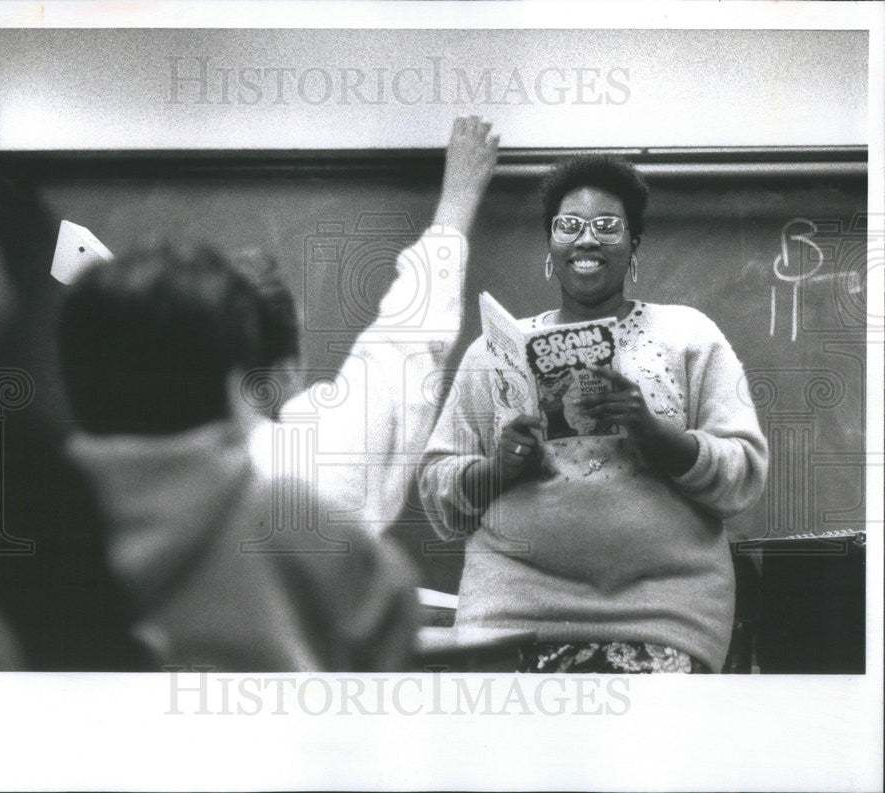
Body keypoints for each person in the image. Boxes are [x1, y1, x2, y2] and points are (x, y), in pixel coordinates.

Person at [58, 117, 499, 670]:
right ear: (260, 378)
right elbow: (405, 345)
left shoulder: (43, 511)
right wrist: (458, 200)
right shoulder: (297, 489)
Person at [417, 154, 769, 674]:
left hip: (659, 618)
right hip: (509, 615)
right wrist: (500, 468)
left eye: (607, 227)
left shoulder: (689, 335)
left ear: (633, 248)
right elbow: (438, 489)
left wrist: (653, 433)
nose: (587, 239)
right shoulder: (496, 351)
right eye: (569, 226)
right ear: (551, 248)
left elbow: (743, 475)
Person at [246, 116, 499, 534]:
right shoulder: (312, 460)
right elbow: (405, 342)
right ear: (287, 374)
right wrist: (456, 202)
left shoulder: (125, 479)